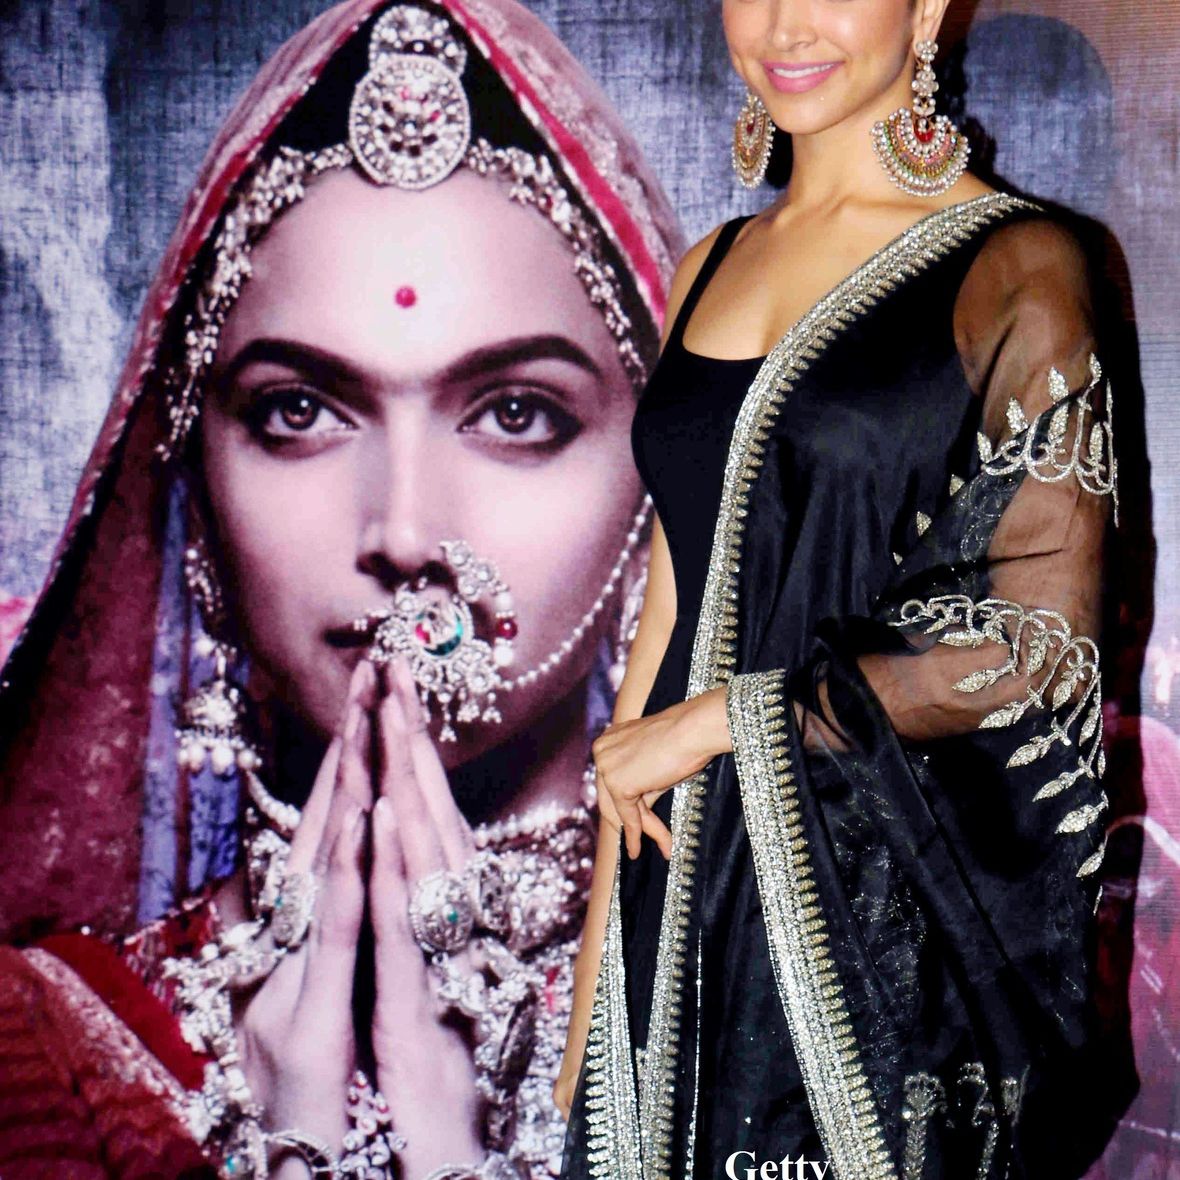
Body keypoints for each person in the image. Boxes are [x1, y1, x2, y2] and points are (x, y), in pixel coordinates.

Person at [0, 2, 683, 1177]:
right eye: (298, 411)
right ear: (194, 481)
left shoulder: (797, 1026)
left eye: (517, 414)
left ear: (659, 484)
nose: (405, 533)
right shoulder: (41, 1050)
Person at [555, 0, 1136, 1177]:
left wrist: (724, 721)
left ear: (925, 10)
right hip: (671, 910)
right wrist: (588, 1004)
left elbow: (1036, 645)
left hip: (868, 936)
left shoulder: (1018, 268)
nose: (785, 25)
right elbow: (666, 618)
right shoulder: (707, 267)